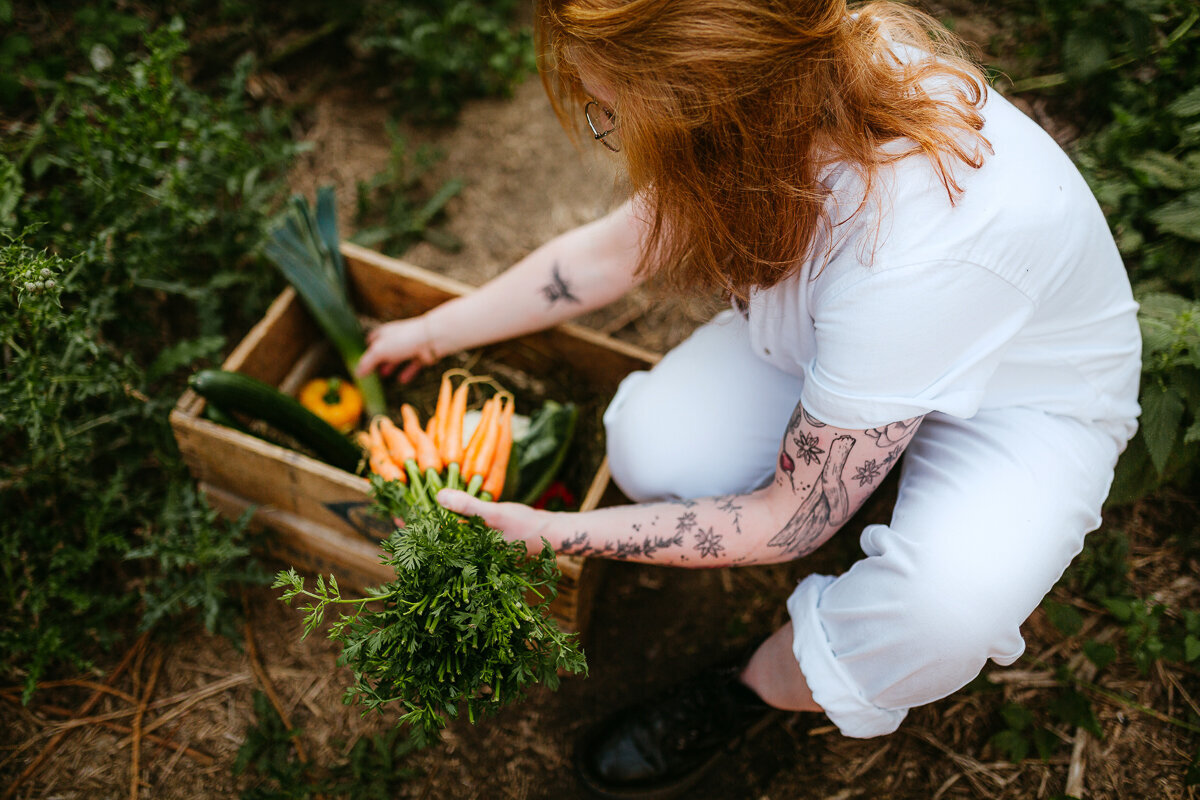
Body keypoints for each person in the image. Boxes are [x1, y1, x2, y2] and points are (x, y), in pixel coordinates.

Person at [356, 0, 1142, 796]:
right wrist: (436, 329)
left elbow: (788, 518)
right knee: (649, 446)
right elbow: (608, 254)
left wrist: (558, 533)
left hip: (1020, 398)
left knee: (941, 617)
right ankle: (867, 452)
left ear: (710, 109)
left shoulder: (907, 261)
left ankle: (752, 685)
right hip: (840, 348)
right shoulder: (788, 72)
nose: (608, 127)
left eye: (612, 111)